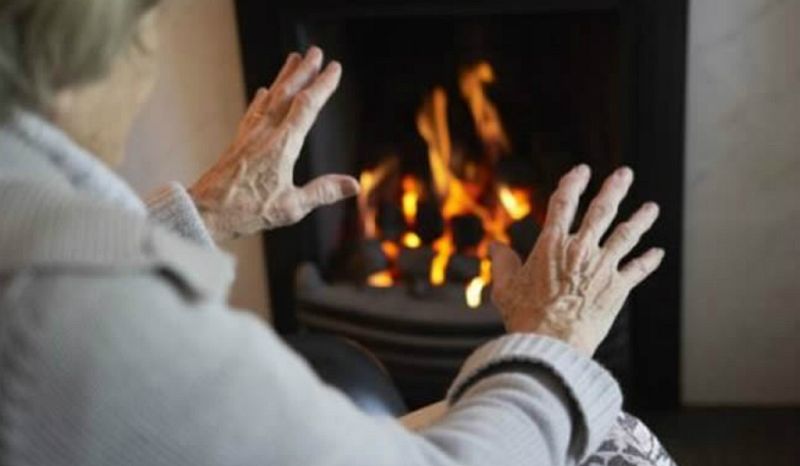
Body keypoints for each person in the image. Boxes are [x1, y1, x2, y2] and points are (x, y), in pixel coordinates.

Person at [0, 1, 673, 465]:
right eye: (146, 24)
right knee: (610, 439)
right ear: (70, 58)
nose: (148, 59)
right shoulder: (83, 310)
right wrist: (551, 342)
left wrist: (200, 215)